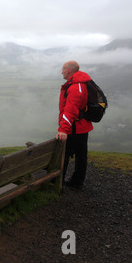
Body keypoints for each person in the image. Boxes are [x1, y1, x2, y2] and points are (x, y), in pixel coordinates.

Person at [56, 61, 93, 189]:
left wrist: (63, 130)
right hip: (83, 126)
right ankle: (77, 181)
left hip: (75, 128)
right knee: (81, 155)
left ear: (68, 70)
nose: (61, 72)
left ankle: (58, 184)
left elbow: (70, 110)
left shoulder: (75, 87)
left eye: (63, 69)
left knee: (64, 156)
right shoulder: (82, 83)